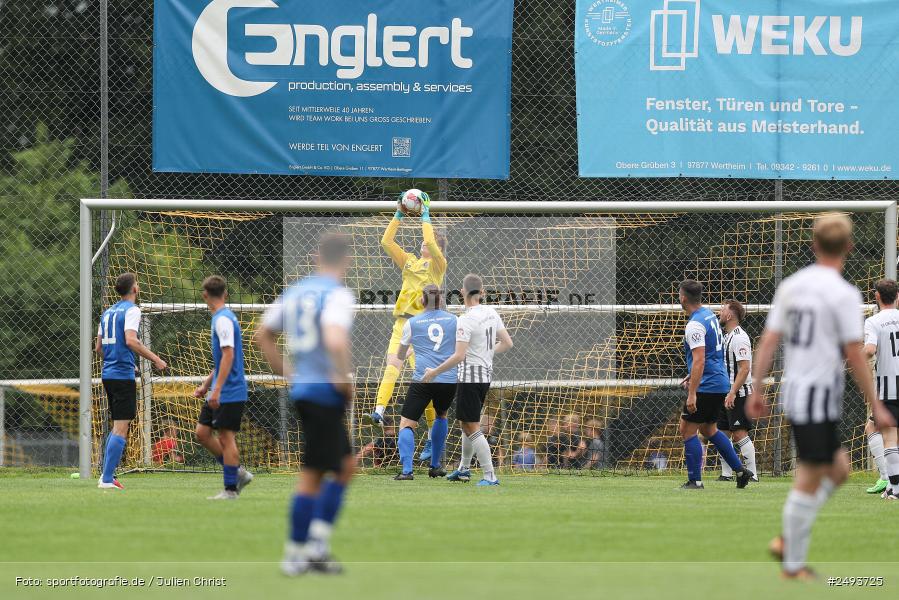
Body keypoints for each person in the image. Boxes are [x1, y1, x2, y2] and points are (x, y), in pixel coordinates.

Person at [750, 214, 894, 579]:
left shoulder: (792, 286)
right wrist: (875, 401)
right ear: (849, 247)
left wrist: (758, 385)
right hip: (815, 396)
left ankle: (789, 541)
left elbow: (769, 340)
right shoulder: (844, 294)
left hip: (800, 393)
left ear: (813, 244)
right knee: (811, 476)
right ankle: (790, 557)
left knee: (839, 470)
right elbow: (853, 353)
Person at [255, 232, 356, 576]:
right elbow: (334, 337)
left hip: (304, 389)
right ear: (346, 260)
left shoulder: (295, 292)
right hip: (323, 391)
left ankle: (314, 547)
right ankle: (299, 554)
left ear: (317, 257)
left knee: (344, 466)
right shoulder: (338, 295)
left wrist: (288, 373)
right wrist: (343, 378)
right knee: (314, 475)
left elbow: (262, 334)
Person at [367, 193, 448, 464]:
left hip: (422, 326)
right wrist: (399, 214)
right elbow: (386, 242)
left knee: (424, 380)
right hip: (402, 323)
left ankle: (430, 437)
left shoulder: (438, 265)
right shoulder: (410, 261)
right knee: (392, 365)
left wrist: (426, 215)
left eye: (430, 240)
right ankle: (379, 409)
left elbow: (430, 241)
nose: (425, 242)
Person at [422, 273, 513, 486]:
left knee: (471, 426)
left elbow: (459, 355)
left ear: (462, 292)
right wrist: (488, 353)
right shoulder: (491, 312)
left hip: (470, 377)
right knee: (467, 422)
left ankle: (490, 476)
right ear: (482, 292)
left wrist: (434, 372)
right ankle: (464, 469)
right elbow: (507, 343)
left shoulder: (466, 319)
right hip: (485, 375)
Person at [677, 279, 753, 490]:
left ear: (683, 298)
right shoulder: (709, 315)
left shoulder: (694, 324)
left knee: (687, 430)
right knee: (710, 429)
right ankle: (740, 470)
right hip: (719, 382)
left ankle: (695, 481)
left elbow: (700, 359)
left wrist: (692, 393)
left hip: (707, 385)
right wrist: (691, 374)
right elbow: (710, 354)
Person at [95, 272, 167, 489]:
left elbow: (99, 348)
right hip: (121, 376)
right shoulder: (132, 310)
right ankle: (107, 479)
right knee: (121, 427)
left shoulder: (107, 313)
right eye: (137, 283)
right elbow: (131, 340)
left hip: (108, 374)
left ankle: (107, 475)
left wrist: (125, 360)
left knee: (118, 425)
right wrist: (156, 359)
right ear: (134, 289)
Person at [192, 275, 253, 500]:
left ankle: (230, 489)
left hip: (231, 390)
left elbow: (229, 354)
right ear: (225, 294)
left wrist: (216, 390)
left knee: (227, 438)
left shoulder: (223, 320)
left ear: (205, 295)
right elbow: (222, 361)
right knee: (202, 433)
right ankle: (237, 472)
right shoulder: (220, 318)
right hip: (220, 389)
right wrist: (206, 385)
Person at [393, 285, 456, 480]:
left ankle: (407, 471)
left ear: (422, 300)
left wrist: (411, 351)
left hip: (423, 378)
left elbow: (400, 354)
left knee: (406, 423)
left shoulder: (412, 323)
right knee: (441, 415)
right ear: (441, 301)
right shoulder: (454, 320)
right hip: (448, 378)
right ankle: (435, 466)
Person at [862, 278, 899, 499]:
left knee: (889, 437)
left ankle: (893, 486)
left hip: (889, 389)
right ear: (897, 296)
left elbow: (869, 349)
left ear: (877, 296)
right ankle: (891, 485)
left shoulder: (874, 321)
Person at [716, 299, 758, 482]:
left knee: (740, 432)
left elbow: (744, 369)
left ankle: (753, 474)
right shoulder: (726, 336)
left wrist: (733, 391)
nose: (719, 311)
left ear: (730, 314)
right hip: (726, 393)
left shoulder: (740, 337)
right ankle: (726, 474)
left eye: (723, 309)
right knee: (722, 432)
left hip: (739, 393)